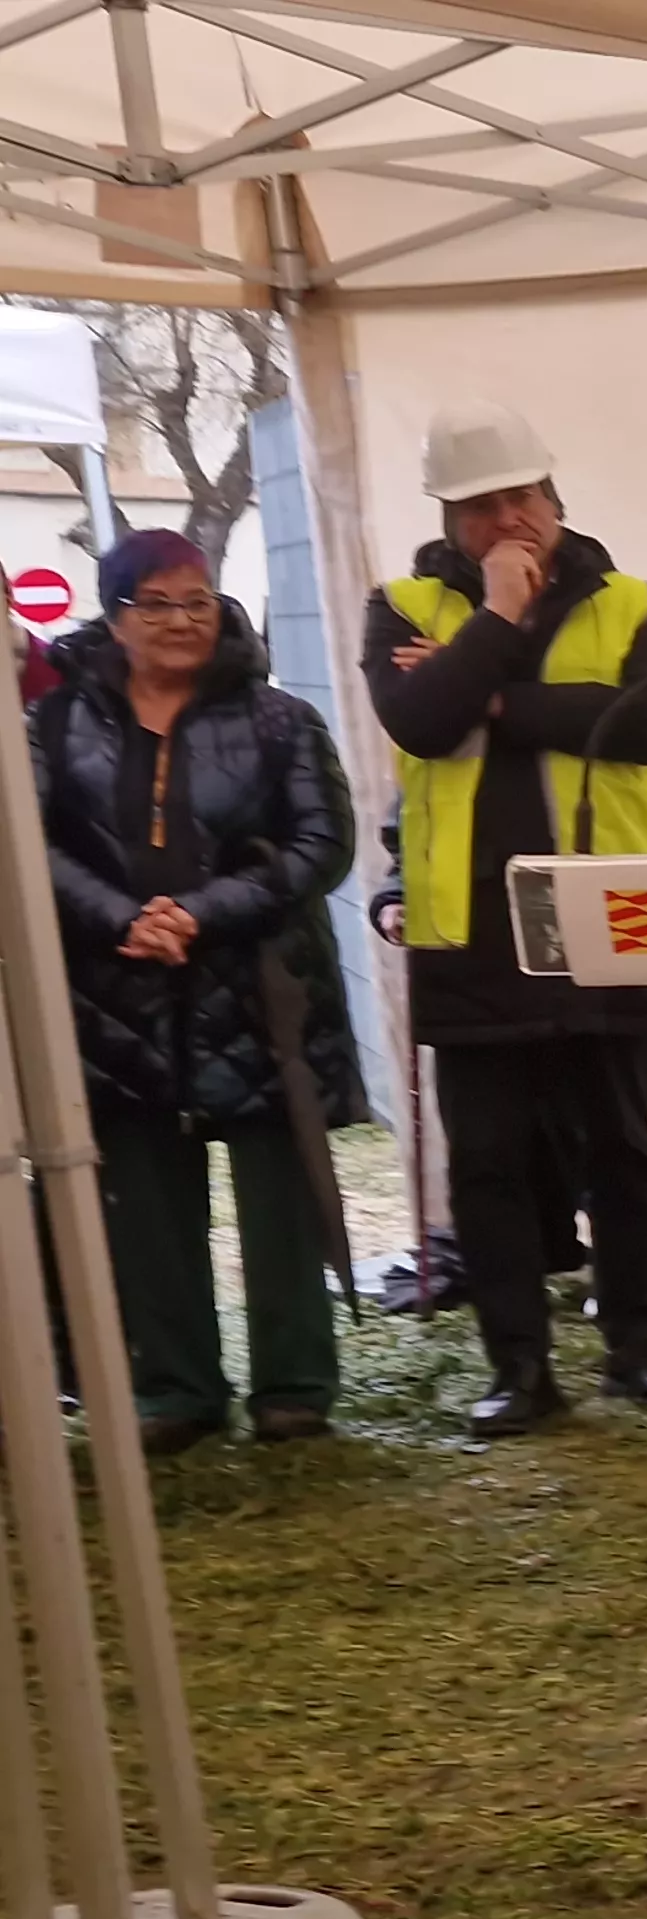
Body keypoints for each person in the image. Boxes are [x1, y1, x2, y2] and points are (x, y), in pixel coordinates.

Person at [364, 400, 647, 1437]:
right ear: (451, 516)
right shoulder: (405, 603)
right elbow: (419, 721)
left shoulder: (631, 599)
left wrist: (491, 696)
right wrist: (500, 622)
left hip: (612, 911)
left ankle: (635, 1346)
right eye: (482, 504)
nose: (508, 517)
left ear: (556, 496)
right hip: (470, 926)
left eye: (523, 494)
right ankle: (520, 1366)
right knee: (490, 1161)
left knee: (620, 1145)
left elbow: (645, 726)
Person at [29, 529, 366, 1452]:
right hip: (116, 990)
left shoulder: (280, 721)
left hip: (258, 985)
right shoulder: (57, 723)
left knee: (278, 1182)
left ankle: (295, 1385)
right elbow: (32, 843)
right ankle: (176, 1386)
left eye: (198, 601)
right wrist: (120, 917)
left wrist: (199, 912)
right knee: (142, 1191)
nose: (182, 622)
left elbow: (319, 844)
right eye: (157, 604)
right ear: (114, 618)